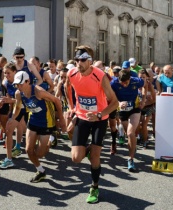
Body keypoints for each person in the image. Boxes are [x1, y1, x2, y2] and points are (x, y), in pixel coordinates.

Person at [65, 45, 118, 203]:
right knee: (75, 158)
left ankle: (94, 187)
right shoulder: (72, 73)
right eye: (76, 60)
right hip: (82, 117)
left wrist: (100, 114)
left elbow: (114, 103)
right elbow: (67, 87)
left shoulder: (99, 76)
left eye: (82, 60)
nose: (78, 64)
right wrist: (71, 107)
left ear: (90, 61)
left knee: (95, 157)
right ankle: (88, 150)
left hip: (99, 120)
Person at [12, 71, 65, 182]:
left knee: (40, 154)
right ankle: (40, 171)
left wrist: (62, 120)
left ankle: (51, 137)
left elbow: (56, 101)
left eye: (21, 84)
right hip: (33, 120)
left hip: (47, 121)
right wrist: (12, 119)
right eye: (17, 84)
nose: (19, 86)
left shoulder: (38, 92)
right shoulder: (18, 93)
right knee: (28, 150)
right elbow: (17, 107)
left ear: (28, 81)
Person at [111, 69, 145, 172]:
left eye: (126, 82)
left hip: (134, 109)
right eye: (122, 83)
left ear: (130, 79)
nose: (124, 85)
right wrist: (118, 103)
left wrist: (143, 100)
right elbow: (110, 95)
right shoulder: (114, 83)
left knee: (130, 133)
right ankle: (132, 145)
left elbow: (145, 85)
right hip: (122, 111)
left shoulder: (136, 80)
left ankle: (131, 159)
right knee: (128, 133)